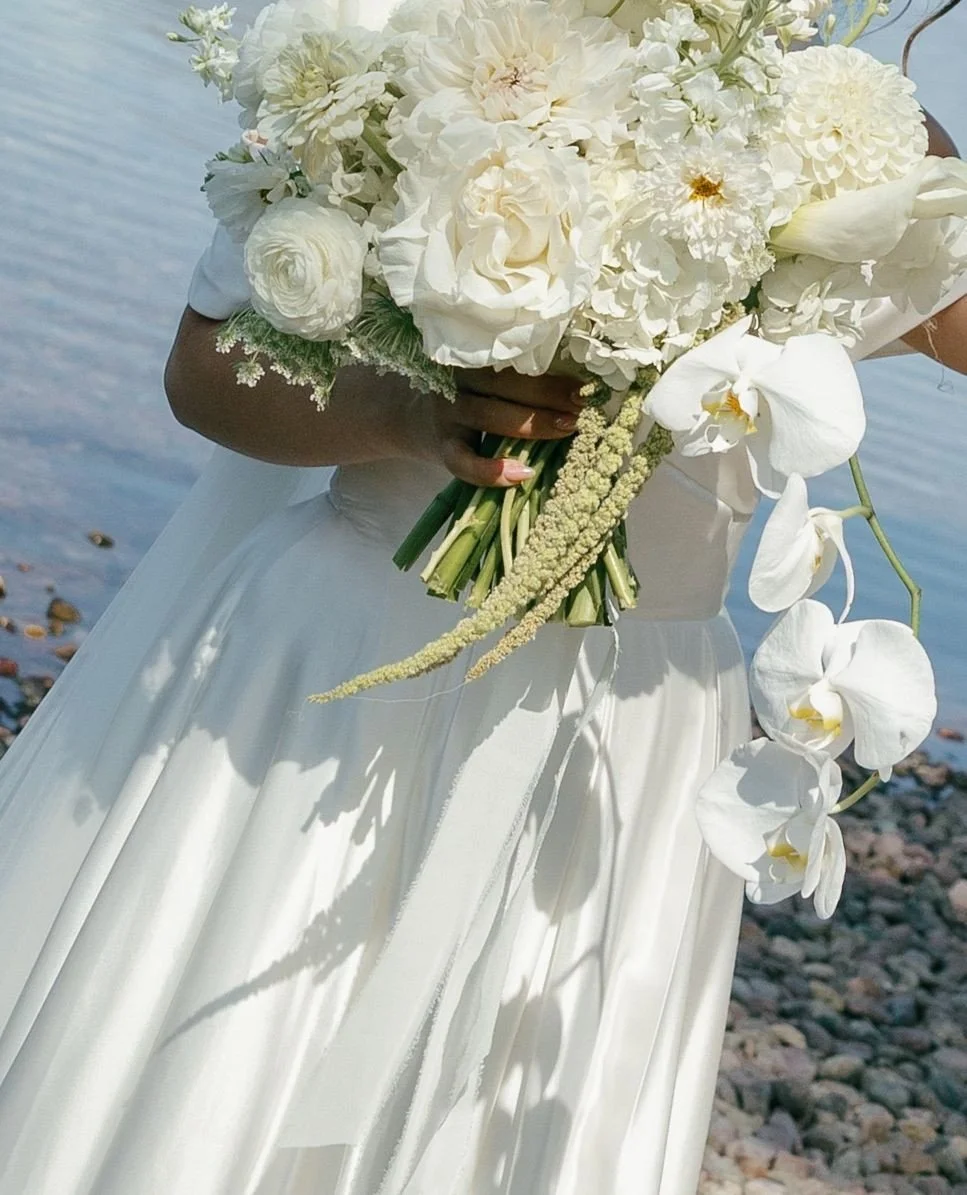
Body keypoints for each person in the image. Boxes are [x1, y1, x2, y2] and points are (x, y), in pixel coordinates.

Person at [0, 36, 966, 1195]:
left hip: (630, 718)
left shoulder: (838, 120)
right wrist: (412, 415)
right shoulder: (401, 43)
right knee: (232, 1046)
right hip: (346, 649)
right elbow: (204, 373)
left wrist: (897, 144)